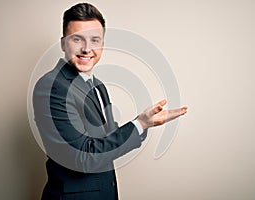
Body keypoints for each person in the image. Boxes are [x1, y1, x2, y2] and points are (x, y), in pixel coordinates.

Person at [33, 3, 187, 200]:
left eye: (94, 40)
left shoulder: (98, 86)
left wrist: (144, 122)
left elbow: (107, 141)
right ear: (63, 43)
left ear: (102, 45)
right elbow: (83, 157)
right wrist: (139, 125)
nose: (86, 48)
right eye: (77, 39)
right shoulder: (52, 87)